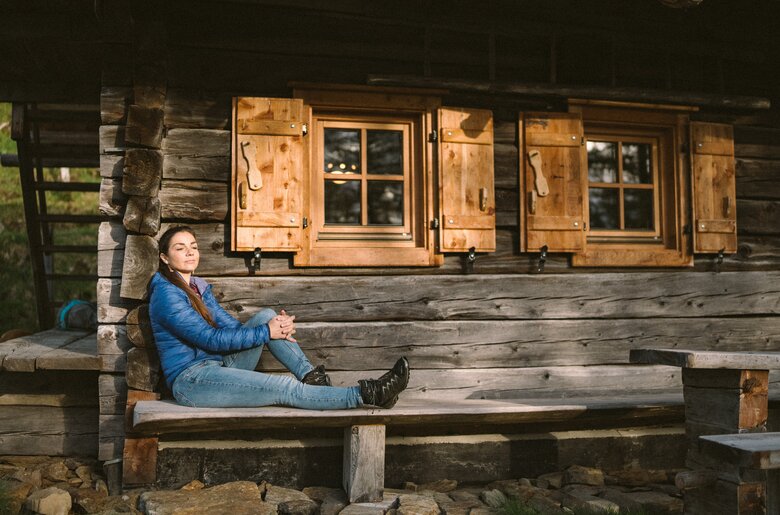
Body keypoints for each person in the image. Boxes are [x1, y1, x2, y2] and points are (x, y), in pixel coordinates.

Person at [148, 225, 409, 409]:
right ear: (165, 258)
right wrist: (266, 333)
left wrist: (275, 329)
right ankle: (369, 394)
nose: (191, 252)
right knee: (283, 387)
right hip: (193, 381)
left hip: (216, 368)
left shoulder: (197, 288)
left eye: (193, 246)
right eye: (181, 248)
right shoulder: (167, 295)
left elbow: (233, 328)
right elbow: (211, 340)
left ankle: (312, 378)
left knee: (266, 316)